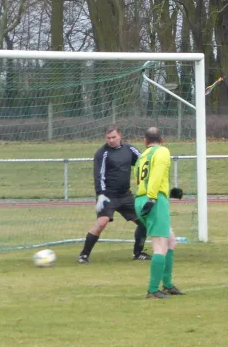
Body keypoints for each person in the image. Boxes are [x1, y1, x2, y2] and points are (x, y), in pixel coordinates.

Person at [78, 126, 149, 264]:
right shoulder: (102, 153)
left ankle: (138, 253)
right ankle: (84, 255)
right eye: (108, 138)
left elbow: (143, 162)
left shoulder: (129, 149)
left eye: (113, 137)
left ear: (120, 136)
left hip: (125, 195)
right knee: (102, 222)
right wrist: (100, 195)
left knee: (144, 223)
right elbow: (99, 175)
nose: (111, 140)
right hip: (108, 196)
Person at [134, 127, 185, 299]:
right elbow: (156, 175)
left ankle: (168, 285)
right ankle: (153, 289)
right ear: (162, 140)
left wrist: (169, 192)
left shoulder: (141, 157)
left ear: (145, 142)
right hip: (153, 200)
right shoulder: (162, 151)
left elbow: (141, 179)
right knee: (160, 246)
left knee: (171, 241)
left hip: (142, 198)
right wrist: (153, 198)